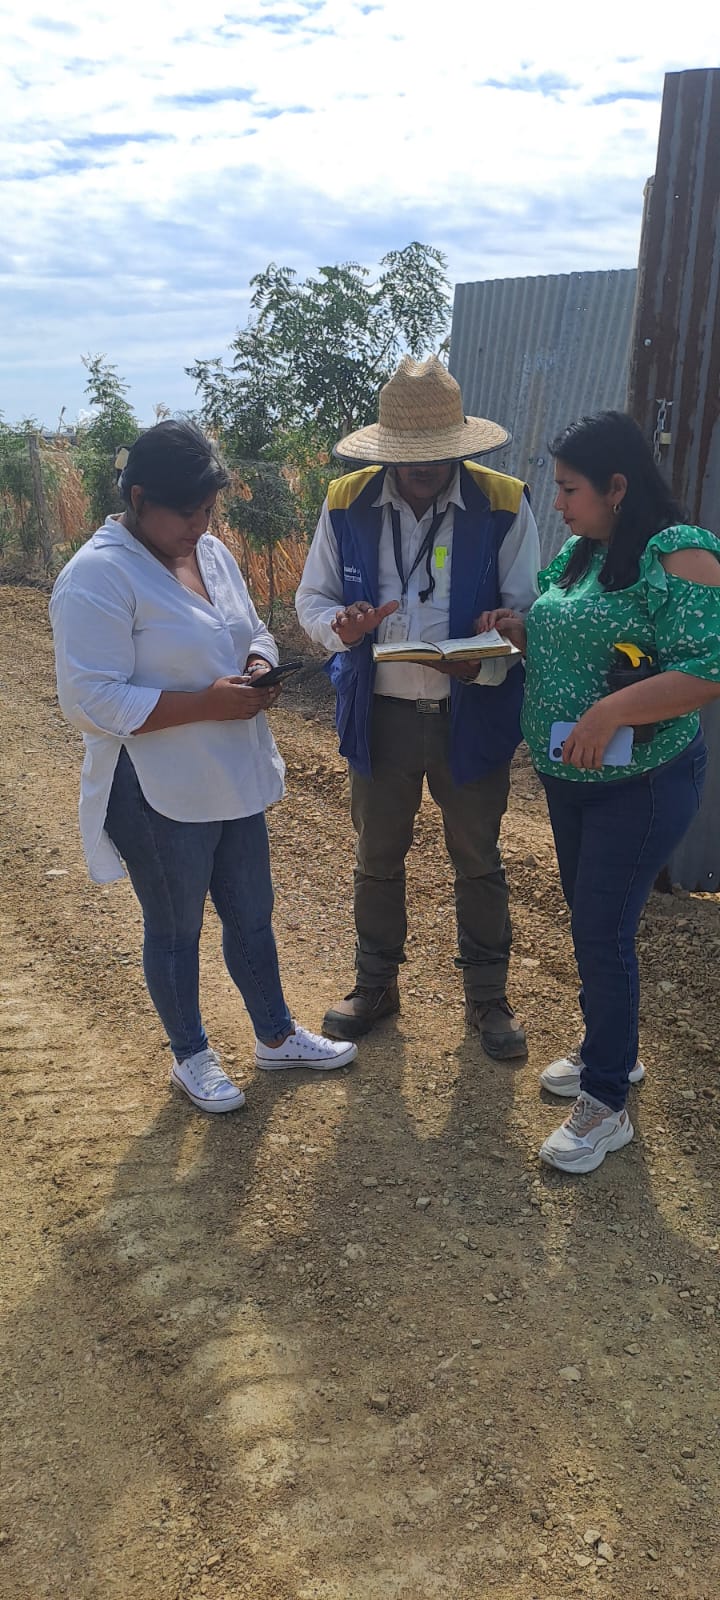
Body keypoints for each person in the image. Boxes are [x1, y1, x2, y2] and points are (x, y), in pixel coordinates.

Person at [49, 420, 356, 1115]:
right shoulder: (97, 576)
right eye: (188, 512)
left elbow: (250, 627)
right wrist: (206, 704)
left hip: (229, 769)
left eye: (209, 510)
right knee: (175, 926)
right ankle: (191, 1055)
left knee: (251, 912)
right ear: (138, 498)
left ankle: (276, 1035)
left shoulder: (209, 553)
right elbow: (89, 700)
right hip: (156, 785)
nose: (201, 525)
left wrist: (258, 662)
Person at [479, 409, 720, 1172]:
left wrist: (612, 711)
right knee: (594, 923)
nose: (558, 503)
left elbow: (708, 668)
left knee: (599, 931)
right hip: (570, 778)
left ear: (617, 486)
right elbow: (572, 634)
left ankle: (606, 1103)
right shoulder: (583, 552)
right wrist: (523, 631)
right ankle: (609, 1051)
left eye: (570, 488)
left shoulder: (678, 554)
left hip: (639, 783)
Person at [295, 356, 541, 1056]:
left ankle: (488, 998)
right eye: (410, 454)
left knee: (479, 858)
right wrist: (339, 627)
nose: (424, 466)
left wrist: (490, 650)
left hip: (472, 712)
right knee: (376, 857)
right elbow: (313, 600)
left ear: (459, 444)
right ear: (387, 449)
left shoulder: (503, 502)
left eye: (437, 452)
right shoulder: (345, 501)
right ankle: (375, 985)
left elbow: (528, 611)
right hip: (381, 715)